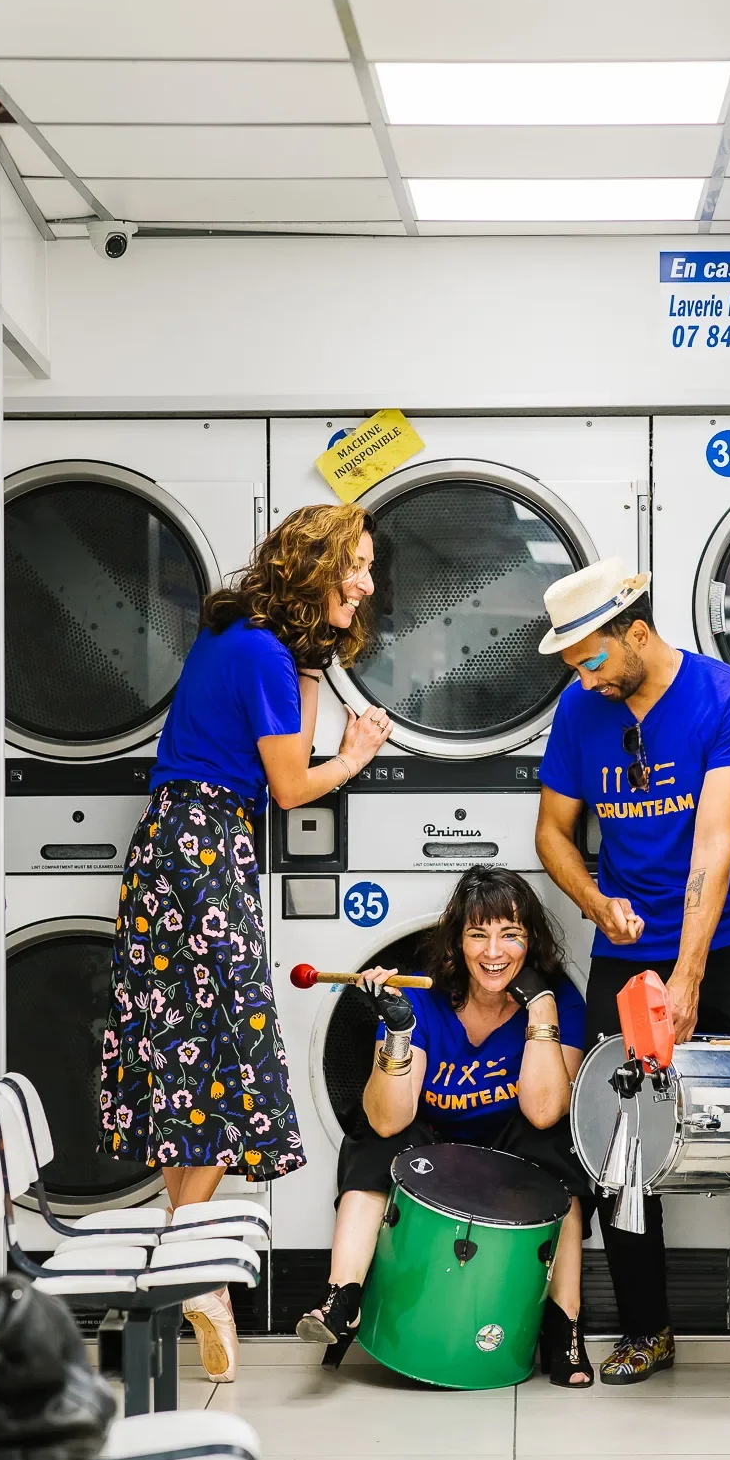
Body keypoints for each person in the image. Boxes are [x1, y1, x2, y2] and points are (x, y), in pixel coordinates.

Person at [101, 503, 393, 1383]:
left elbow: (278, 744)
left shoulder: (242, 639)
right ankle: (185, 1266)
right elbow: (293, 784)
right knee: (231, 1061)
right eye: (356, 565)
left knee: (192, 1063)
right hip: (205, 852)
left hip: (175, 849)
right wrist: (358, 753)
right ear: (316, 565)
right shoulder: (264, 652)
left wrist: (316, 660)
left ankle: (190, 1273)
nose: (367, 583)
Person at [534, 556, 730, 1402]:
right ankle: (647, 1327)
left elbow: (714, 846)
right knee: (618, 1137)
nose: (583, 678)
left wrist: (688, 974)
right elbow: (551, 832)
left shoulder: (729, 699)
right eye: (571, 665)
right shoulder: (580, 710)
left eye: (590, 658)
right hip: (627, 951)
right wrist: (595, 901)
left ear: (637, 633)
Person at [297, 866, 594, 1387]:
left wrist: (541, 1006)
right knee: (373, 1139)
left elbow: (545, 1110)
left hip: (509, 1147)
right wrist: (398, 1030)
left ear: (531, 941)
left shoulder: (559, 1001)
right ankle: (342, 1300)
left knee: (556, 1145)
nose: (493, 951)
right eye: (478, 934)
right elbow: (389, 1117)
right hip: (432, 1144)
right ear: (457, 942)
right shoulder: (421, 999)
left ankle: (564, 1326)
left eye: (510, 934)